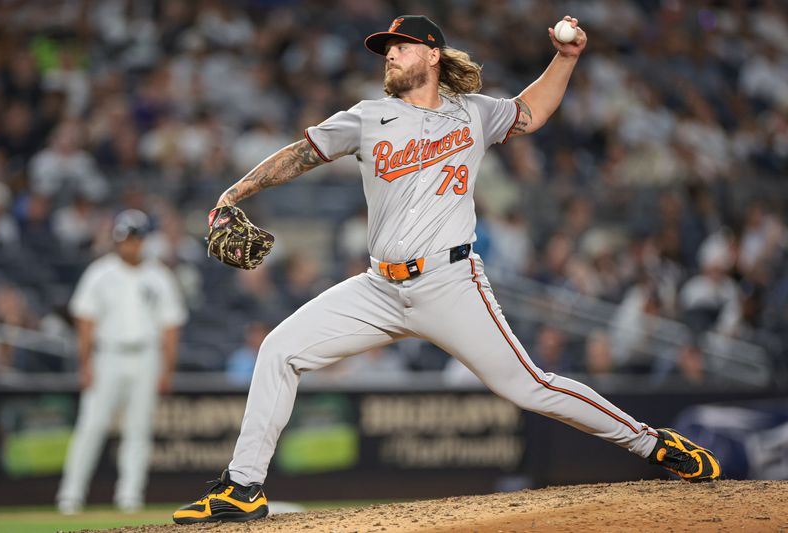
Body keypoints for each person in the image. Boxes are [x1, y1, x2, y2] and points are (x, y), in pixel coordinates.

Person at [173, 15, 721, 524]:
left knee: (531, 387)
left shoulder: (472, 111)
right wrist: (235, 191)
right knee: (278, 350)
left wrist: (566, 59)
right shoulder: (366, 117)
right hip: (378, 286)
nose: (389, 56)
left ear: (431, 55)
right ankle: (243, 487)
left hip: (450, 281)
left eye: (400, 47)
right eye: (386, 49)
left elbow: (531, 112)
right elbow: (301, 153)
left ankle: (651, 443)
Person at [57, 209, 187, 514]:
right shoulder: (100, 273)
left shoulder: (159, 276)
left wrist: (167, 368)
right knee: (92, 426)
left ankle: (130, 496)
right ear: (117, 240)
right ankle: (71, 495)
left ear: (144, 241)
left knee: (138, 430)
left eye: (136, 238)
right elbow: (85, 322)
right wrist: (85, 363)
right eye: (126, 238)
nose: (131, 244)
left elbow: (170, 327)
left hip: (146, 356)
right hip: (108, 355)